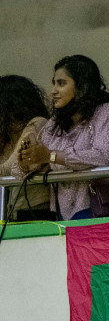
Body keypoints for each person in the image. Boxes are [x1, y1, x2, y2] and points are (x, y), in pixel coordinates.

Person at [13, 56, 109, 219]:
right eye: (54, 83)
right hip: (62, 215)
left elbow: (104, 156)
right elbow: (16, 173)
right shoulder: (54, 123)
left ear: (82, 86)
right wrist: (27, 161)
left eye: (61, 83)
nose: (53, 91)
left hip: (99, 211)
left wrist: (50, 156)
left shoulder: (106, 112)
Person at [0, 75, 56, 221]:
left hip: (35, 209)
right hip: (12, 210)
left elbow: (8, 169)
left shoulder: (37, 124)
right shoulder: (8, 133)